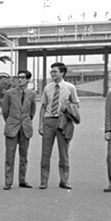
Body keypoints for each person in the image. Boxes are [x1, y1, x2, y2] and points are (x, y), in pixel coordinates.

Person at [38, 62, 80, 190]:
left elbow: (76, 104)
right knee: (45, 153)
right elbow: (43, 106)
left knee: (63, 153)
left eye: (55, 71)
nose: (52, 73)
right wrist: (40, 124)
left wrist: (67, 107)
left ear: (62, 73)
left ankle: (64, 180)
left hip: (63, 122)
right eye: (52, 71)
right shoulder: (47, 88)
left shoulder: (70, 87)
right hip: (49, 121)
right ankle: (43, 181)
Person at [1, 70, 36, 189]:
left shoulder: (31, 94)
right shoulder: (9, 93)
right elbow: (5, 111)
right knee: (9, 156)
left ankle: (22, 180)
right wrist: (11, 121)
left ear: (28, 80)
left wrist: (26, 121)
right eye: (18, 77)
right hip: (12, 126)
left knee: (24, 156)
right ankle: (8, 181)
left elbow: (32, 111)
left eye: (22, 77)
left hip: (25, 127)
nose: (19, 79)